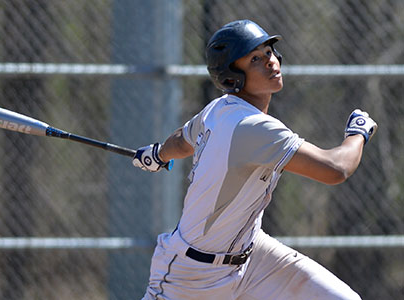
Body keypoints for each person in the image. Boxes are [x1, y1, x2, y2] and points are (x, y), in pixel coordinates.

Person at [132, 19, 377, 300]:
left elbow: (181, 140)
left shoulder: (218, 109)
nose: (271, 62)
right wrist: (357, 133)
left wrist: (157, 154)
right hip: (191, 276)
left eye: (269, 52)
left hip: (254, 258)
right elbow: (336, 169)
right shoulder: (251, 126)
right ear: (231, 77)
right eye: (255, 59)